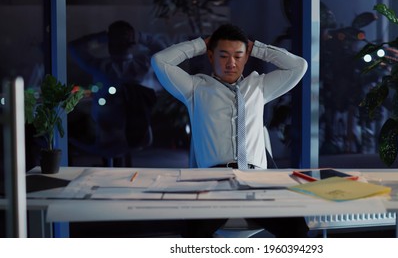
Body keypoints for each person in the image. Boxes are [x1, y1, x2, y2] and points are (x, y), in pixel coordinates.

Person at [151, 23, 309, 237]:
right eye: (223, 55)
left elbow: (299, 66)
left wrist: (257, 48)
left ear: (246, 57)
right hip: (215, 182)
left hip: (258, 181)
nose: (231, 63)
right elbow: (160, 61)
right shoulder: (195, 89)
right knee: (192, 234)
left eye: (238, 56)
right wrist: (200, 44)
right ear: (210, 56)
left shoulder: (259, 87)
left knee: (297, 229)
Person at [68, 20, 162, 166]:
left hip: (113, 134)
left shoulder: (101, 67)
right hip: (135, 133)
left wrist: (103, 38)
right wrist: (139, 37)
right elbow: (162, 50)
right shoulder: (142, 64)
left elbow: (75, 47)